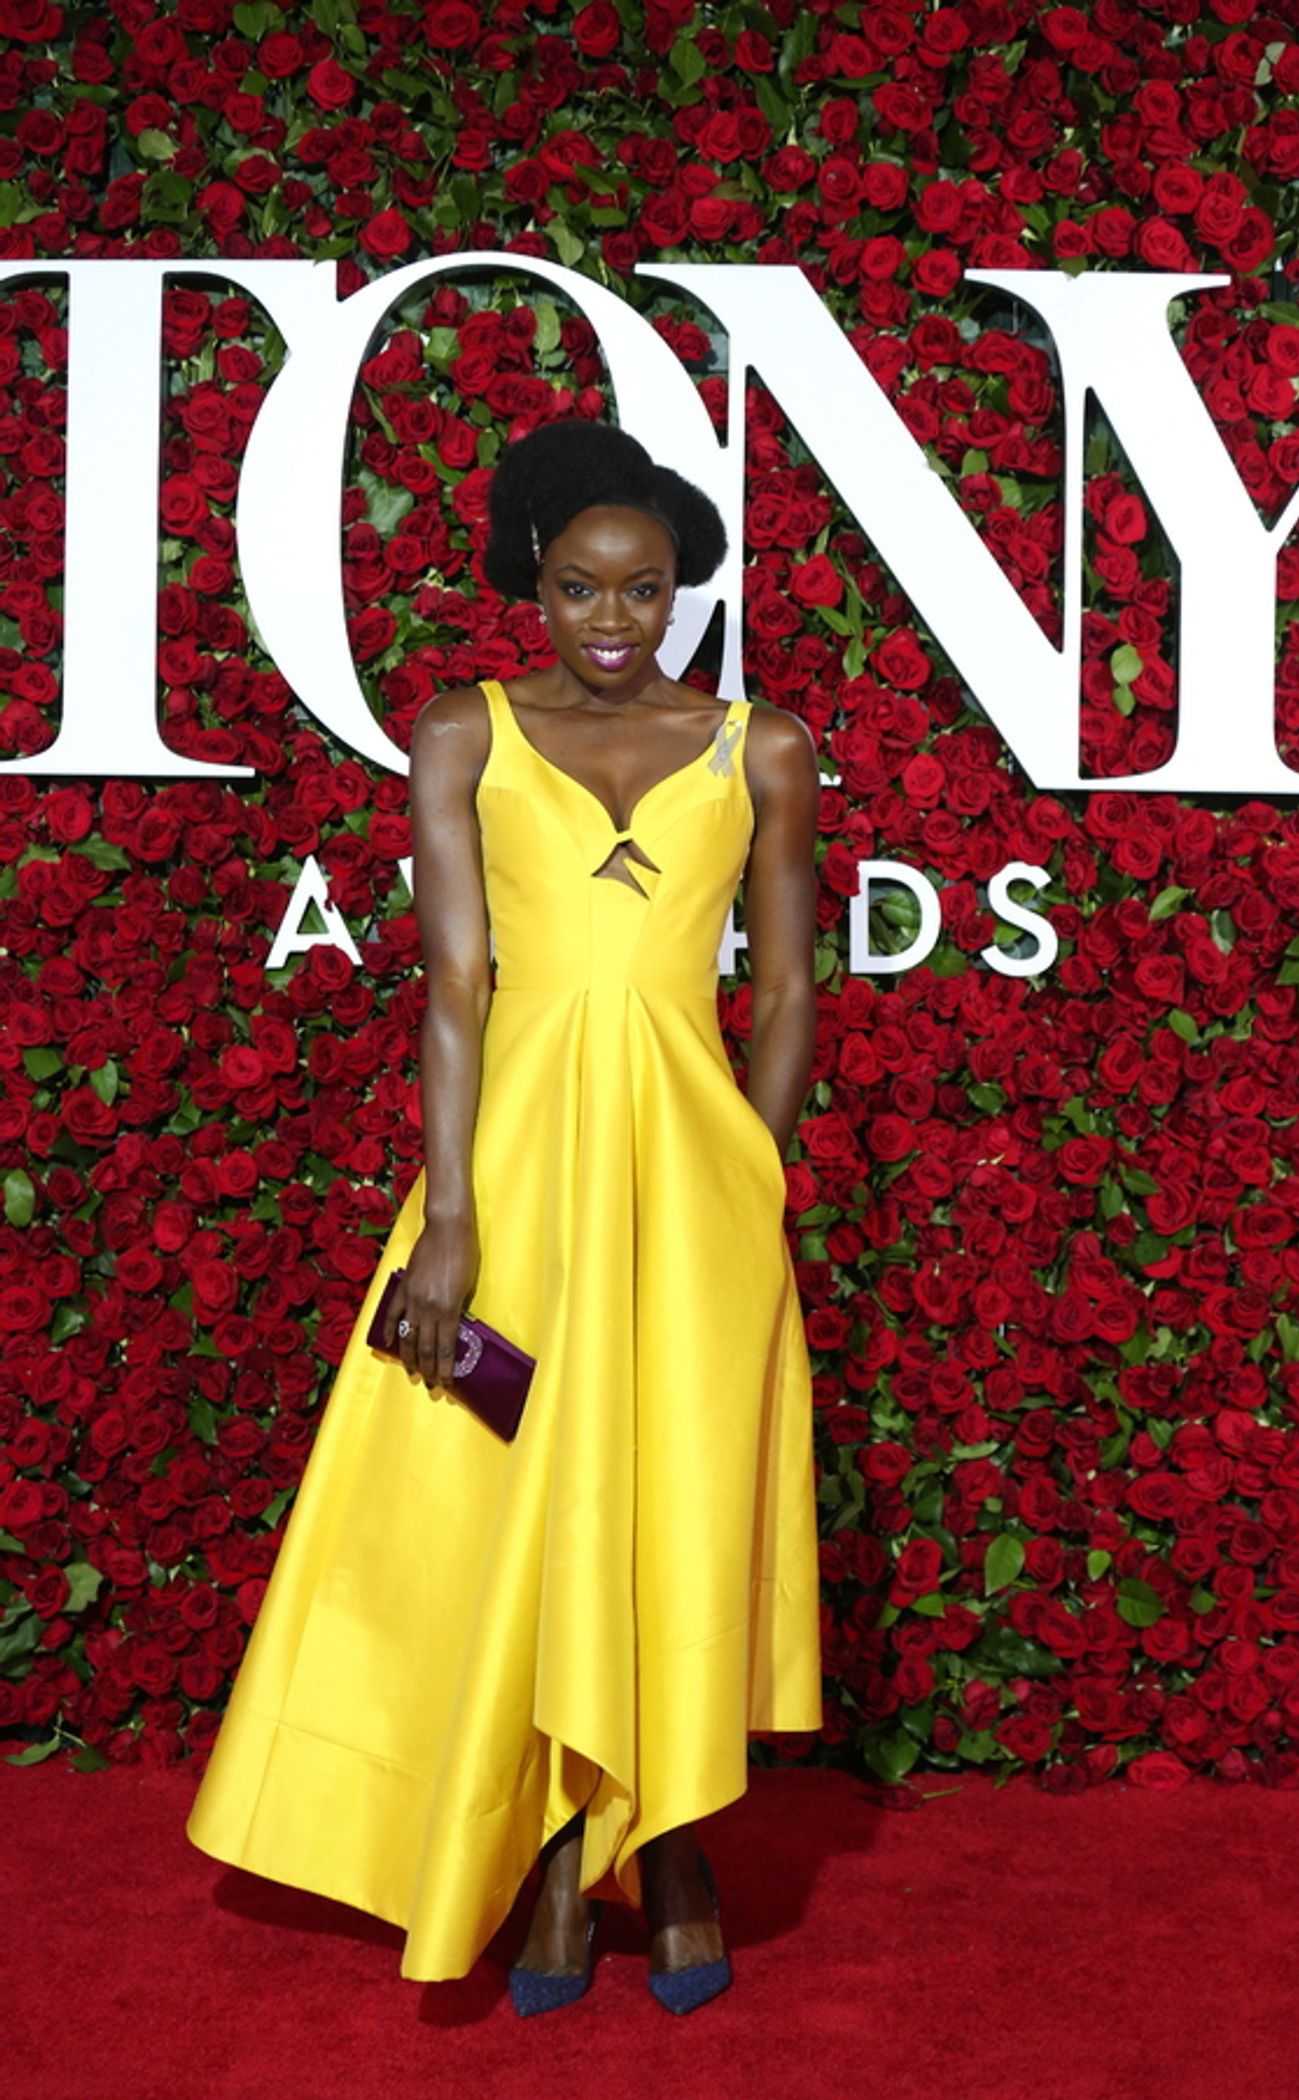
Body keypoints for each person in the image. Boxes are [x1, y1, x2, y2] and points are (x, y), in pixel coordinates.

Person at [185, 418, 824, 2017]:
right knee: (515, 1492)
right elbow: (457, 989)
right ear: (531, 584)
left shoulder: (763, 748)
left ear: (682, 590)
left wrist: (746, 1176)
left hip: (694, 1192)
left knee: (672, 1495)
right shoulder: (462, 731)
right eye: (579, 588)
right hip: (520, 1178)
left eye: (644, 589)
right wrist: (452, 1221)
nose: (612, 620)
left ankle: (672, 1844)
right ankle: (548, 1849)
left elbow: (790, 991)